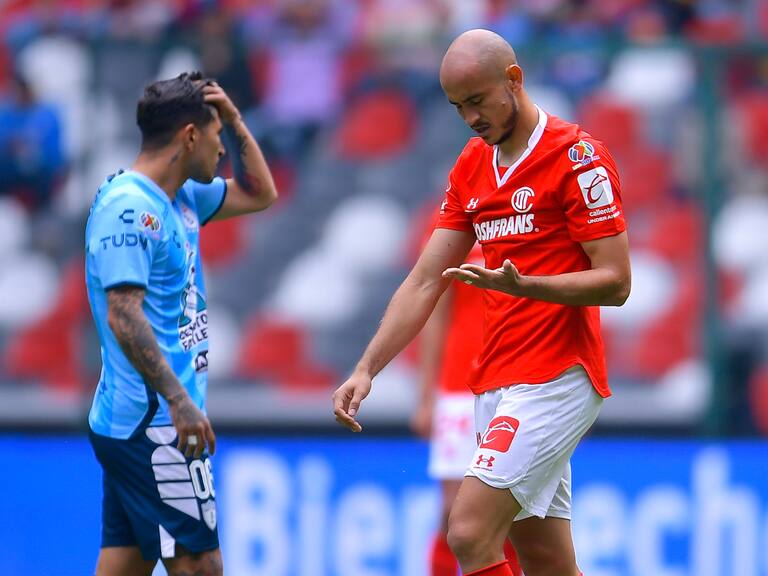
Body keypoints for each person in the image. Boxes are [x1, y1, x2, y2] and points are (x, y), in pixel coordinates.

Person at [333, 29, 630, 576]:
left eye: (477, 101)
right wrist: (366, 368)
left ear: (513, 81)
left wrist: (530, 286)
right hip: (494, 380)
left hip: (558, 377)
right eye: (456, 106)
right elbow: (426, 279)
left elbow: (616, 282)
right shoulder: (473, 165)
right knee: (544, 558)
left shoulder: (578, 157)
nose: (470, 117)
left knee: (468, 531)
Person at [85, 71, 277, 576]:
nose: (221, 150)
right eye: (216, 135)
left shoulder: (183, 198)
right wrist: (178, 401)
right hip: (155, 423)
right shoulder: (130, 209)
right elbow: (123, 315)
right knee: (201, 564)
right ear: (190, 135)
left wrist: (233, 119)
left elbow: (260, 192)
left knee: (124, 563)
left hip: (144, 421)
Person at [410, 208, 522, 576]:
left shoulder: (537, 208)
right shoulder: (455, 214)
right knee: (453, 514)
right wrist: (428, 394)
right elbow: (435, 308)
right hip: (461, 385)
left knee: (517, 516)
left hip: (522, 383)